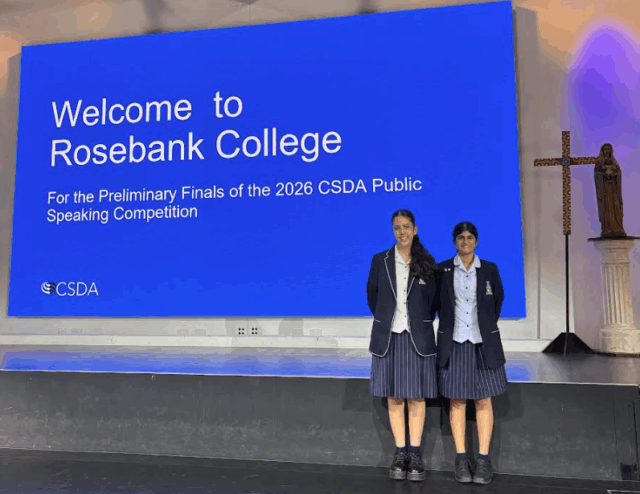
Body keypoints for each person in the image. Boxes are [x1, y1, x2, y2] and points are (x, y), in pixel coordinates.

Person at [366, 209, 438, 482]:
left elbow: (433, 301)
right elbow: (372, 296)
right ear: (392, 230)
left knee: (417, 396)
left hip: (418, 338)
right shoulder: (380, 260)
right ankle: (400, 452)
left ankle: (415, 453)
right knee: (394, 397)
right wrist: (388, 319)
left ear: (415, 229)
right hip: (388, 337)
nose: (402, 232)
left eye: (406, 227)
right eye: (397, 227)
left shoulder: (426, 262)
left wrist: (418, 321)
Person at [434, 221, 507, 485]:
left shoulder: (489, 269)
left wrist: (483, 326)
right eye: (461, 237)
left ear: (476, 241)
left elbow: (497, 301)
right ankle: (462, 459)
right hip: (454, 342)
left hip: (482, 342)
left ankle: (484, 460)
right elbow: (435, 303)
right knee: (457, 400)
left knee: (484, 400)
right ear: (455, 241)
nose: (465, 242)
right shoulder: (442, 270)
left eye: (470, 237)